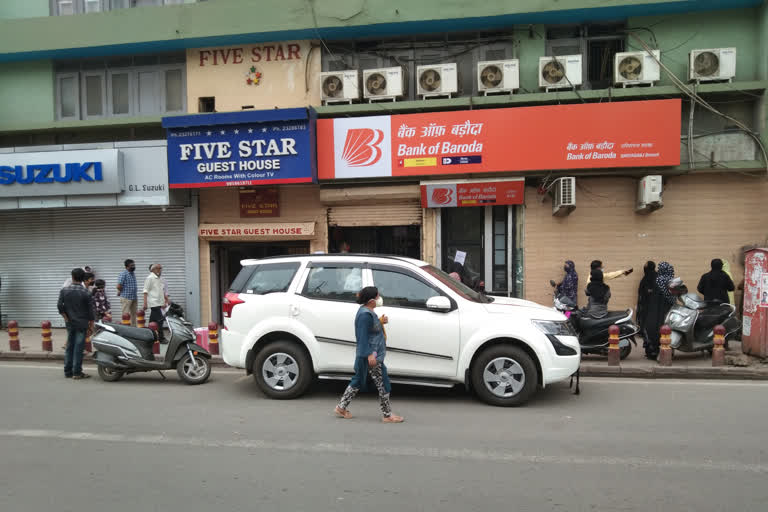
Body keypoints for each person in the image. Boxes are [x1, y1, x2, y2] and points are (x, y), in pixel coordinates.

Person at [334, 286, 404, 423]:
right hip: (371, 356)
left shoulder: (368, 312)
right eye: (378, 297)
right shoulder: (365, 315)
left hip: (366, 355)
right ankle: (387, 415)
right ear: (371, 301)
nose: (380, 299)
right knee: (384, 384)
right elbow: (362, 337)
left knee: (358, 381)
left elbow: (370, 329)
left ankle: (341, 407)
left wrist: (380, 322)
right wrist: (370, 355)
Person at [57, 268, 94, 380]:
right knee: (78, 347)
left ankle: (68, 371)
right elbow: (90, 312)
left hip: (70, 323)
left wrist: (66, 318)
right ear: (83, 278)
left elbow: (60, 306)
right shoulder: (86, 292)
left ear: (72, 277)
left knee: (69, 346)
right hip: (82, 323)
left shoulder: (64, 290)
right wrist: (91, 326)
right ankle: (77, 372)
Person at [636, 261, 666, 360]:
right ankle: (652, 350)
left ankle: (651, 351)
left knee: (648, 330)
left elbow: (643, 293)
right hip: (657, 310)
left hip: (648, 309)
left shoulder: (653, 280)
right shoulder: (658, 279)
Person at [143, 264, 168, 342]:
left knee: (152, 321)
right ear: (154, 269)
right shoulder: (149, 278)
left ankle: (148, 336)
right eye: (159, 268)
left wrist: (164, 301)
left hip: (158, 303)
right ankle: (161, 338)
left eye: (161, 268)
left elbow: (161, 291)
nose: (160, 270)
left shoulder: (158, 279)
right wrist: (145, 303)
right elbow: (145, 291)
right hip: (154, 303)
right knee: (160, 320)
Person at [117, 259, 138, 326]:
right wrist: (121, 291)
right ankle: (126, 329)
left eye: (134, 265)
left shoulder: (133, 273)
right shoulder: (123, 274)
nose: (133, 266)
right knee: (125, 315)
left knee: (134, 314)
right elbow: (119, 286)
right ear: (126, 267)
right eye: (131, 265)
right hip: (126, 298)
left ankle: (134, 328)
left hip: (134, 297)